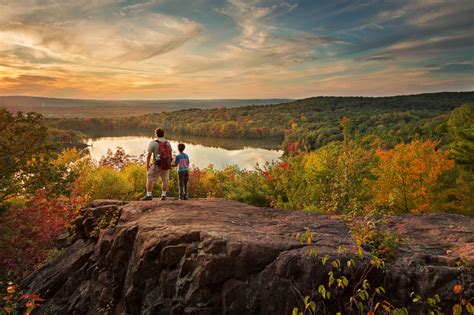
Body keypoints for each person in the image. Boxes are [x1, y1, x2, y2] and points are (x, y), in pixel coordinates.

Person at [141, 128, 172, 201]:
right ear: (163, 134)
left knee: (150, 178)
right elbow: (170, 153)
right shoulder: (167, 142)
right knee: (165, 180)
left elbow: (149, 155)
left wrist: (147, 165)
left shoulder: (153, 143)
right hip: (166, 164)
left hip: (157, 164)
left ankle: (149, 195)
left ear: (156, 134)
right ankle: (164, 196)